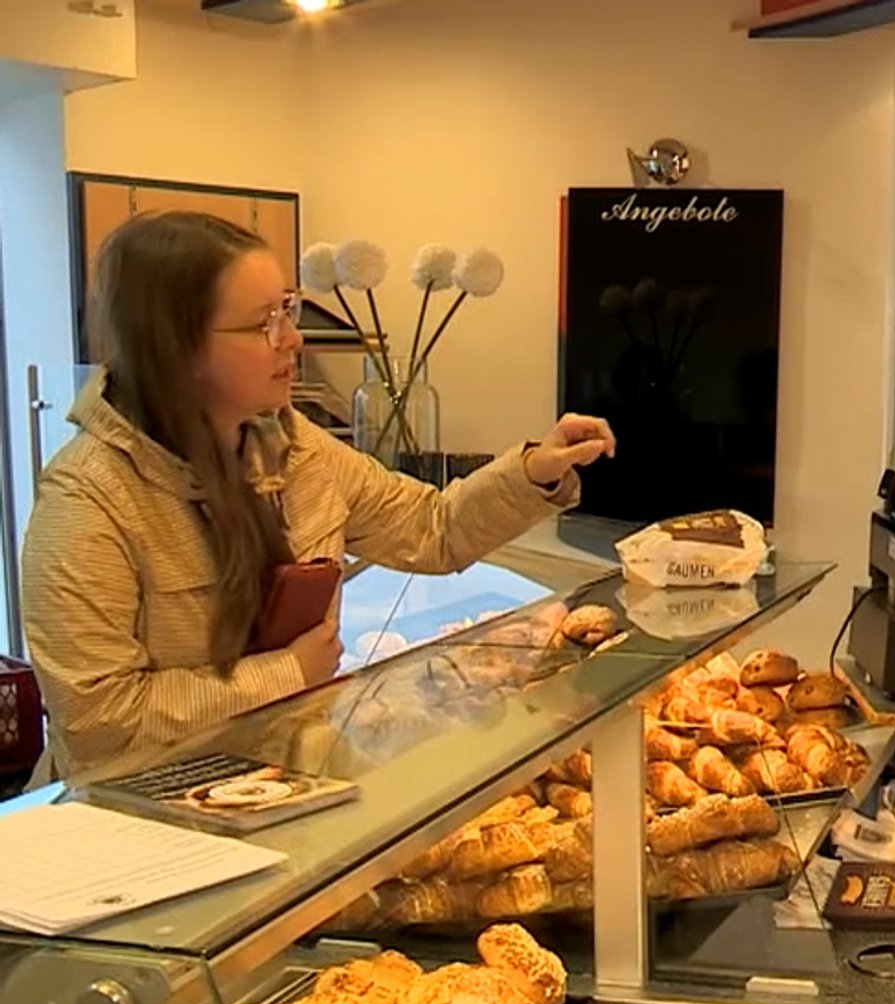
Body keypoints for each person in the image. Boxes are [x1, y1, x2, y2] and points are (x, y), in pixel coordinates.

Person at [20, 211, 617, 782]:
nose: (293, 338)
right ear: (178, 349)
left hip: (288, 788)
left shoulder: (294, 445)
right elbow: (99, 722)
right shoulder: (86, 506)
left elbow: (431, 528)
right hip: (144, 835)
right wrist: (286, 675)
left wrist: (533, 470)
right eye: (263, 324)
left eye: (287, 309)